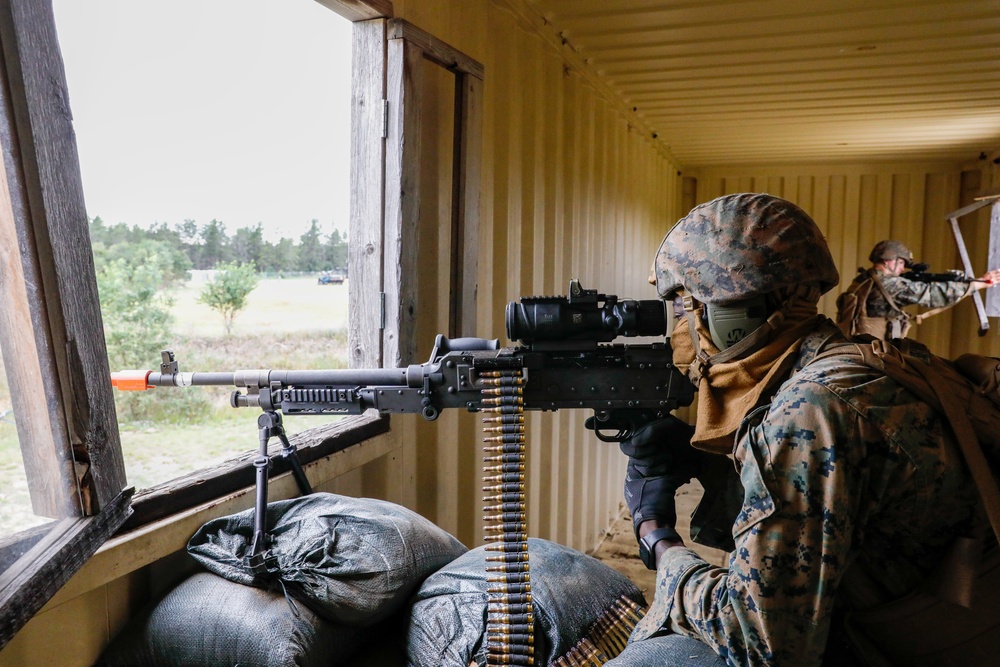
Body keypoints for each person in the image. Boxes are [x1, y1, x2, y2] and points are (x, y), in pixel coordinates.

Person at [605, 193, 985, 666]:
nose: (682, 328)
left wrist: (662, 544)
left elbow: (760, 643)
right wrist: (710, 467)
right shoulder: (862, 361)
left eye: (687, 306)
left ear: (734, 315)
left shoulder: (811, 410)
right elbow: (837, 514)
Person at [835, 239, 1000, 340]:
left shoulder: (864, 279)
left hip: (857, 344)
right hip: (874, 352)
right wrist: (978, 283)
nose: (903, 268)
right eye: (900, 263)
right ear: (887, 261)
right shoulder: (888, 284)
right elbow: (932, 295)